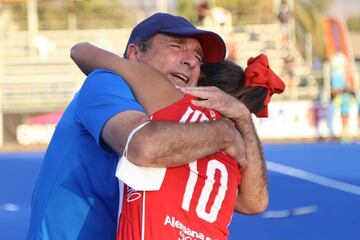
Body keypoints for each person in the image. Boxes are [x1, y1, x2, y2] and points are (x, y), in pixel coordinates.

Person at [27, 13, 262, 240]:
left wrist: (243, 118)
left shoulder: (187, 126)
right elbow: (143, 147)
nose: (190, 61)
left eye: (198, 58)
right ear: (134, 53)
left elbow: (251, 201)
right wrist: (224, 133)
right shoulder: (107, 81)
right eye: (176, 46)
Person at [71, 42, 285, 239]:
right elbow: (257, 203)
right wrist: (243, 118)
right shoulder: (236, 153)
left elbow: (81, 51)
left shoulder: (171, 99)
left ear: (203, 84)